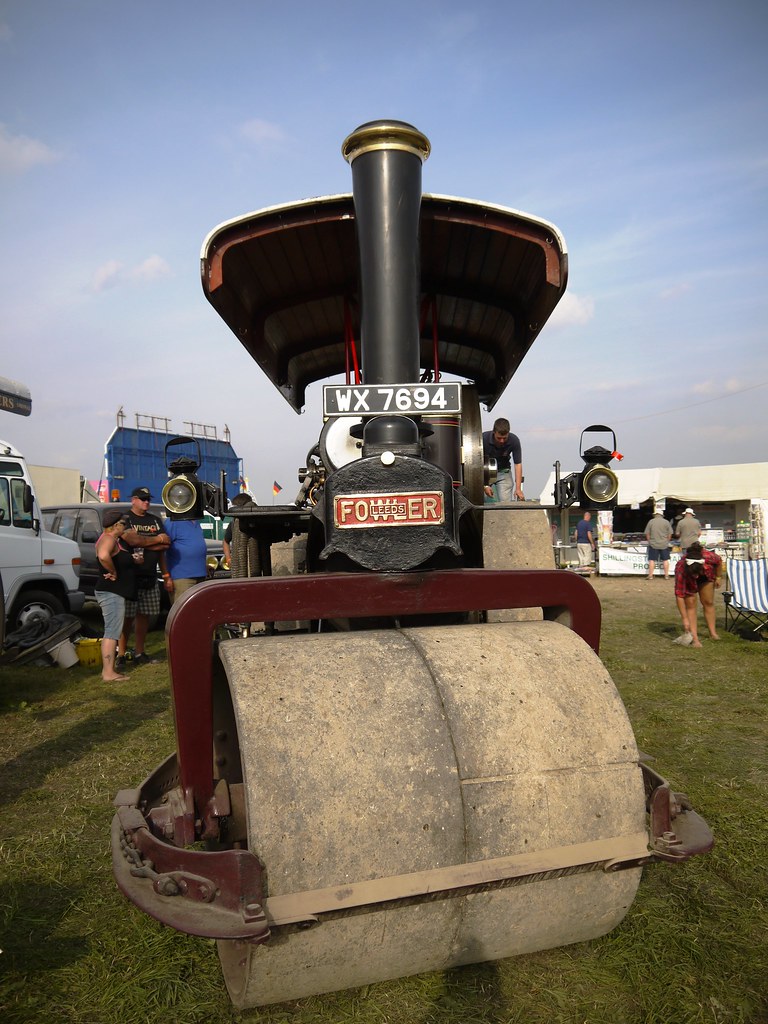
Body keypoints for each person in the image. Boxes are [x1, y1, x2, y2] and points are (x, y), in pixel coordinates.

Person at [118, 486, 170, 668]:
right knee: (126, 618)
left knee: (144, 616)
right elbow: (131, 541)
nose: (146, 501)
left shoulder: (155, 520)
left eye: (148, 498)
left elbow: (166, 545)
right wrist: (156, 541)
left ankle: (140, 652)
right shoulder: (125, 519)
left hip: (150, 576)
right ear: (133, 500)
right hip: (130, 576)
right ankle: (121, 654)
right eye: (142, 498)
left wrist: (165, 574)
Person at [94, 509, 135, 681]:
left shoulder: (111, 539)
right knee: (112, 632)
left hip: (114, 592)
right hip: (111, 593)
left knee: (112, 631)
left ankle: (109, 671)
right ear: (116, 525)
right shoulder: (109, 539)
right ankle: (108, 672)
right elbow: (103, 556)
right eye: (123, 524)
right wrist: (113, 571)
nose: (125, 527)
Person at [673, 541, 723, 647]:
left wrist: (718, 577)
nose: (696, 576)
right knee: (691, 604)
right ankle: (695, 639)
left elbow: (719, 561)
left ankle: (713, 633)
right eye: (694, 573)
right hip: (688, 578)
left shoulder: (709, 557)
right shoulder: (681, 568)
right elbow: (679, 595)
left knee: (708, 602)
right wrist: (684, 618)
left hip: (706, 577)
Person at [164, 517, 208, 603]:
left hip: (201, 577)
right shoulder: (173, 521)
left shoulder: (196, 521)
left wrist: (203, 565)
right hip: (182, 578)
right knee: (183, 612)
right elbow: (162, 549)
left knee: (199, 610)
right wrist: (166, 576)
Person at [482, 418, 523, 503]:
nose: (502, 441)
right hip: (484, 473)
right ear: (494, 432)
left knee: (505, 503)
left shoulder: (514, 440)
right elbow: (475, 463)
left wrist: (518, 489)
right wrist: (485, 485)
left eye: (504, 438)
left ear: (508, 433)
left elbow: (518, 464)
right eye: (499, 438)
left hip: (503, 472)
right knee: (484, 501)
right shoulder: (483, 439)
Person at [222, 492, 255, 567]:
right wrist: (228, 559)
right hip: (239, 566)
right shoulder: (233, 523)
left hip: (254, 563)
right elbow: (225, 541)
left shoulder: (256, 522)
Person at [644, 508, 673, 580]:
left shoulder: (651, 522)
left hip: (653, 544)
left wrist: (650, 541)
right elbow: (670, 534)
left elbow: (647, 534)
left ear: (655, 515)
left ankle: (650, 575)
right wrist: (667, 541)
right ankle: (666, 575)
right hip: (664, 544)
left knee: (652, 560)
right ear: (662, 515)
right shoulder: (666, 522)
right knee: (665, 560)